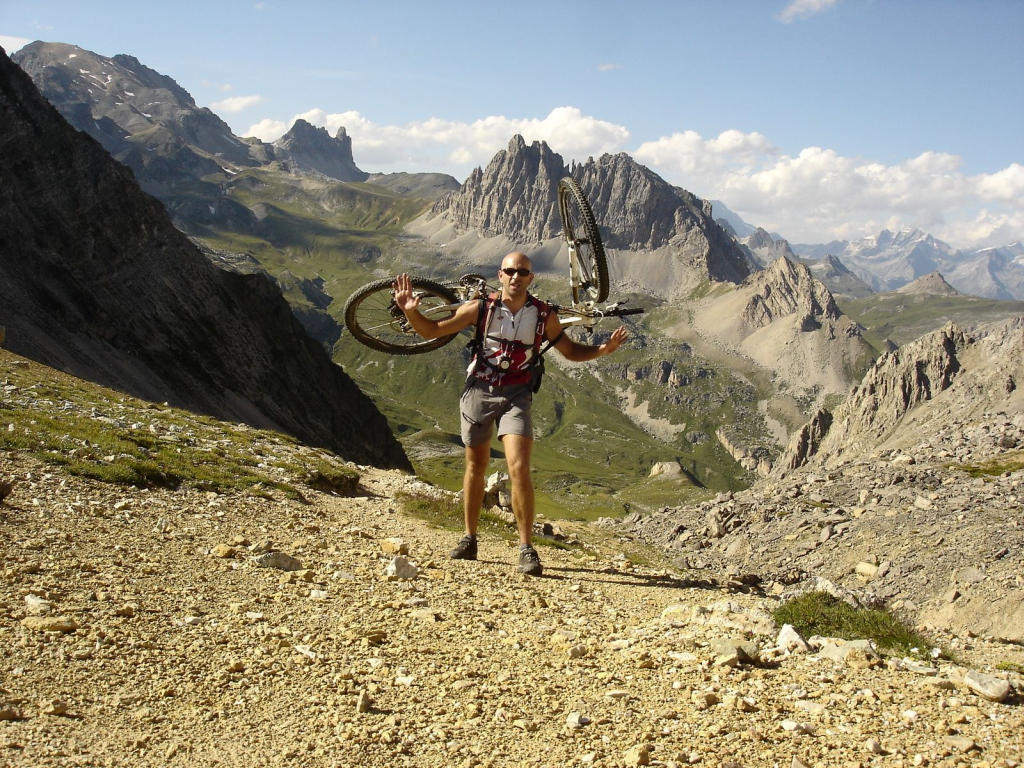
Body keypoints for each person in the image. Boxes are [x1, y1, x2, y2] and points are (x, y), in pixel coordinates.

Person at [392, 251, 627, 575]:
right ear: (500, 275)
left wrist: (603, 350)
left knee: (518, 467)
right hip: (479, 390)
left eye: (523, 272)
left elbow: (570, 350)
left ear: (531, 278)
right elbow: (433, 330)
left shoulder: (543, 315)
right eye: (510, 271)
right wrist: (410, 312)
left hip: (517, 394)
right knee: (476, 466)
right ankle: (469, 538)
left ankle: (526, 548)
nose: (516, 277)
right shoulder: (480, 308)